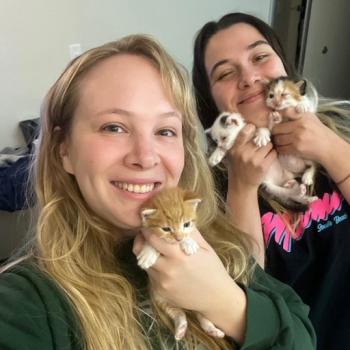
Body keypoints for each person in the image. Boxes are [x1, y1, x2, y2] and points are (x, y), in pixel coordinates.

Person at [0, 34, 315, 350]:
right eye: (114, 127)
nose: (146, 157)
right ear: (63, 149)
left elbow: (302, 335)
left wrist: (228, 305)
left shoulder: (217, 245)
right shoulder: (25, 304)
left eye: (165, 131)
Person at [192, 12, 350, 350]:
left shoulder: (342, 125)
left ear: (284, 66)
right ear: (212, 103)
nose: (249, 77)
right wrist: (242, 187)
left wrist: (331, 149)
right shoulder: (206, 188)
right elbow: (247, 299)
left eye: (260, 57)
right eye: (225, 73)